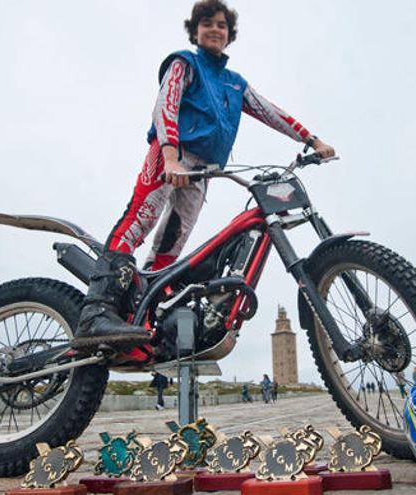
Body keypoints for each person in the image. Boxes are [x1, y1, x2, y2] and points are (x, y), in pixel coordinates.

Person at [70, 0, 335, 350]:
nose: (214, 29)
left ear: (230, 35)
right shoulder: (185, 62)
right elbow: (166, 103)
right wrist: (169, 156)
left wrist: (310, 138)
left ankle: (145, 322)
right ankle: (96, 313)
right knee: (140, 221)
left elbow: (271, 111)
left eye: (221, 25)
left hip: (204, 171)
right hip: (172, 155)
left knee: (172, 244)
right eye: (207, 23)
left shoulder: (235, 84)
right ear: (195, 31)